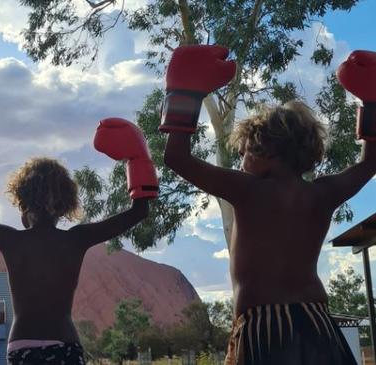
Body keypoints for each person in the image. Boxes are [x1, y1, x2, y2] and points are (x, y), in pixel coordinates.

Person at [160, 45, 376, 364]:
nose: (241, 158)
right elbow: (370, 162)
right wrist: (371, 103)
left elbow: (175, 157)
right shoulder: (322, 193)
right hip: (318, 324)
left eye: (245, 151)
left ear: (267, 152)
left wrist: (184, 93)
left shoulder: (248, 190)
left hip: (264, 328)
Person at [0, 119, 157, 364]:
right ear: (64, 206)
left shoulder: (10, 240)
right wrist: (138, 162)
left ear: (23, 203)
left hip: (22, 346)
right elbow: (139, 211)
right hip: (65, 345)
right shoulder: (76, 240)